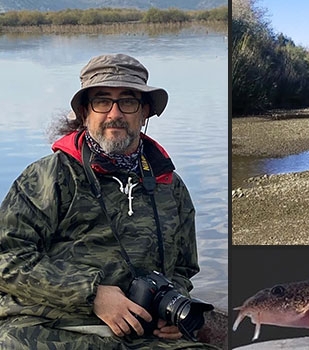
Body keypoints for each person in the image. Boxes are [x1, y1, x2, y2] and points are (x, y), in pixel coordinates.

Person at [0, 54, 218, 349]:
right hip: (52, 326)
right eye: (102, 101)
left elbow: (182, 268)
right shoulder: (49, 176)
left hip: (144, 333)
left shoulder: (171, 186)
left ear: (145, 112)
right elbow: (7, 259)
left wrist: (171, 307)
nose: (114, 113)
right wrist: (92, 295)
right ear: (84, 113)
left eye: (127, 102)